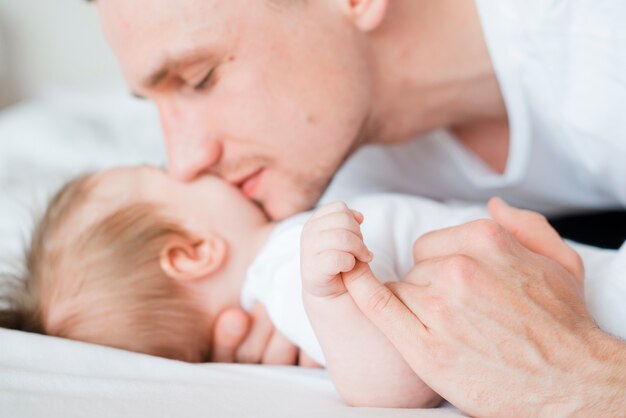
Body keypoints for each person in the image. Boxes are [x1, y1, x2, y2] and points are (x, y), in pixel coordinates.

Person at [87, 0, 626, 414]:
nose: (182, 162)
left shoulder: (602, 41)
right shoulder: (326, 175)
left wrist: (585, 378)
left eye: (200, 78)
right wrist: (319, 323)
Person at [2, 165, 499, 407]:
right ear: (193, 252)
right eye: (164, 173)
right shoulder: (286, 270)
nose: (189, 167)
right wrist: (329, 299)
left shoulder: (285, 260)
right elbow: (400, 384)